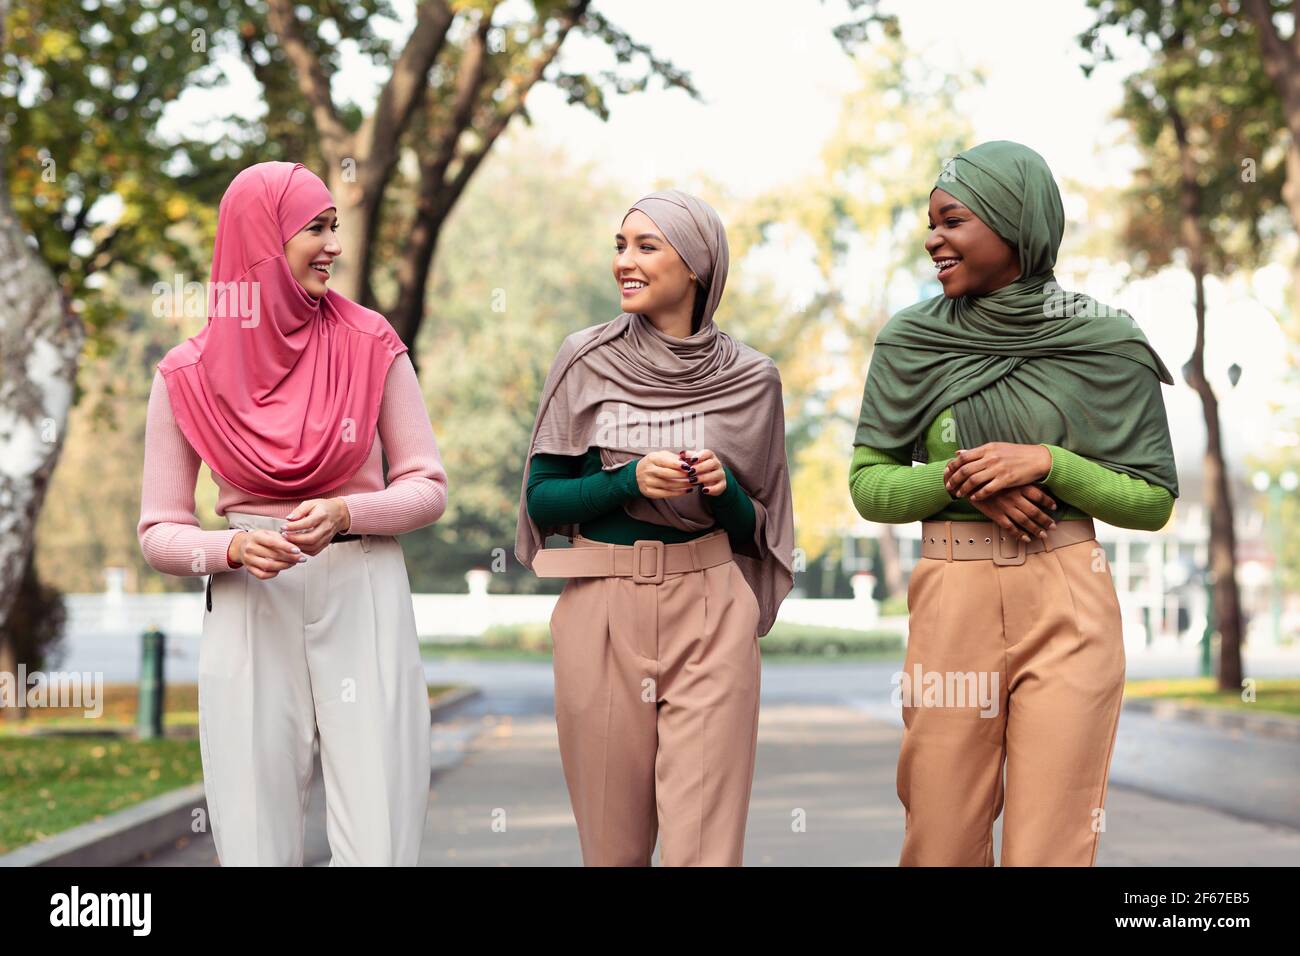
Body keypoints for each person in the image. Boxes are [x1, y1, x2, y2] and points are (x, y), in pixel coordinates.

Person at [849, 141, 1179, 867]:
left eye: (953, 220)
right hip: (952, 595)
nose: (933, 237)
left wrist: (1050, 464)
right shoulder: (912, 338)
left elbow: (1152, 500)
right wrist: (963, 479)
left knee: (1053, 844)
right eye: (930, 222)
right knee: (940, 838)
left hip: (1068, 595)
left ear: (1015, 221)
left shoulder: (1105, 339)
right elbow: (869, 482)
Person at [137, 161, 448, 866]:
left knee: (381, 838)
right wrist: (232, 551)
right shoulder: (186, 374)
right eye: (316, 227)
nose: (334, 244)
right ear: (259, 240)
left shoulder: (372, 344)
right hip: (250, 599)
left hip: (361, 582)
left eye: (336, 225)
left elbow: (427, 485)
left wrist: (346, 512)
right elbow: (160, 530)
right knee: (252, 838)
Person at [514, 189, 795, 866]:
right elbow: (543, 502)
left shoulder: (753, 379)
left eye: (646, 246)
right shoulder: (585, 358)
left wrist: (722, 489)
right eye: (620, 245)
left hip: (710, 609)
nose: (624, 262)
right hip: (601, 610)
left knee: (705, 847)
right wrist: (628, 481)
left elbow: (760, 527)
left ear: (695, 265)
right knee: (612, 849)